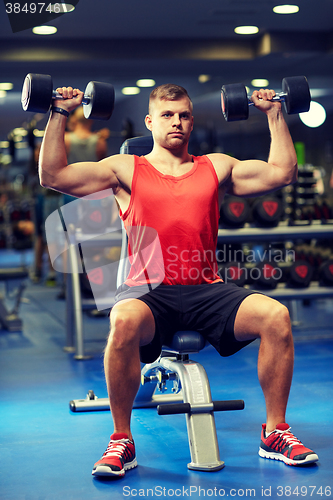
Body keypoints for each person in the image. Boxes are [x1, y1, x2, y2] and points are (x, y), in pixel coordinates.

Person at [39, 83, 319, 478]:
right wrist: (59, 113)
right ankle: (122, 439)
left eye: (184, 115)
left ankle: (275, 431)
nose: (177, 122)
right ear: (150, 122)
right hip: (149, 292)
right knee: (122, 320)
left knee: (276, 316)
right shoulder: (125, 169)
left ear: (192, 121)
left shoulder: (216, 166)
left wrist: (275, 113)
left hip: (208, 289)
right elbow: (53, 176)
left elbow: (282, 173)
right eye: (168, 115)